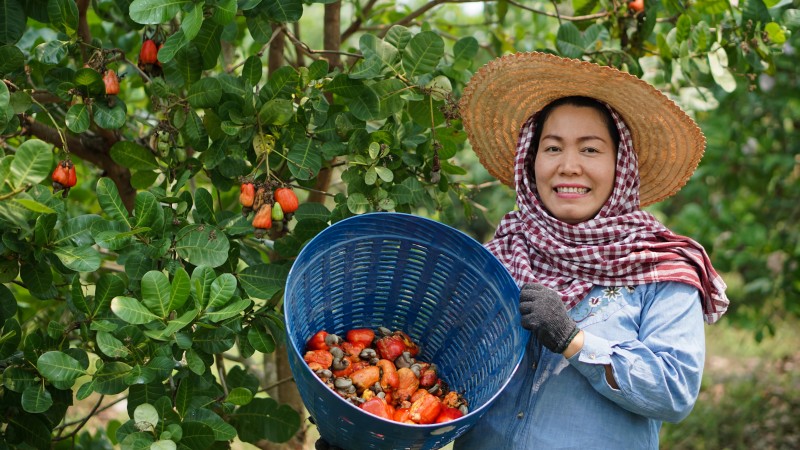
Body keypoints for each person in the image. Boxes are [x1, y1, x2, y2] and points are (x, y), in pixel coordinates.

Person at [454, 52, 730, 449]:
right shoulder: (496, 259)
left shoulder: (661, 266)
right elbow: (441, 377)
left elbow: (674, 391)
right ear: (530, 162)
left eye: (590, 149)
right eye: (552, 148)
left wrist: (573, 340)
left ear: (622, 166)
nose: (568, 166)